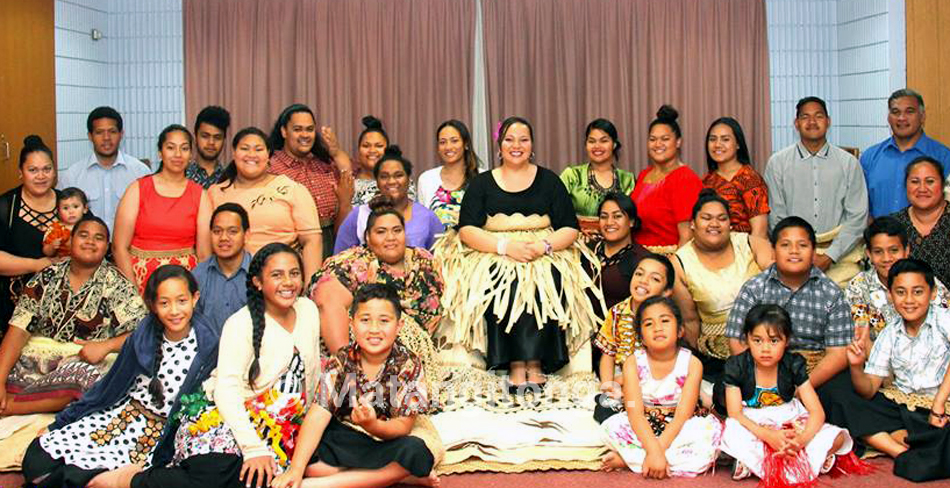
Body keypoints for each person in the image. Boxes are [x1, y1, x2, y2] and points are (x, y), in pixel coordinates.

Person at [435, 116, 603, 392]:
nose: (516, 145)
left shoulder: (549, 180)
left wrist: (543, 247)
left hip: (543, 247)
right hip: (494, 248)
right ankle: (513, 363)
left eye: (523, 139)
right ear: (499, 147)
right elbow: (467, 230)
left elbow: (569, 228)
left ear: (532, 145)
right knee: (505, 278)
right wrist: (504, 248)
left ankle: (536, 363)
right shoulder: (482, 183)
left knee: (546, 275)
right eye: (509, 140)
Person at [20, 265, 219, 488]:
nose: (174, 311)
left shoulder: (207, 343)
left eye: (181, 301)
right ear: (153, 305)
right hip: (122, 416)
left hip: (154, 435)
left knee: (86, 478)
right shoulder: (145, 333)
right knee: (38, 461)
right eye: (164, 303)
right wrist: (61, 423)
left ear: (195, 298)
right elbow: (111, 384)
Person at [139, 244, 321, 488]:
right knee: (229, 474)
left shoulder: (308, 309)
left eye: (294, 273)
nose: (288, 282)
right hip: (235, 419)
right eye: (277, 275)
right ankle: (131, 481)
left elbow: (313, 371)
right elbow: (226, 391)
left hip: (287, 425)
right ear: (257, 282)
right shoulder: (240, 324)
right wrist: (253, 448)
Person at [271, 284, 438, 488]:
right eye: (365, 320)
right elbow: (318, 414)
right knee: (310, 460)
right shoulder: (342, 361)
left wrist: (373, 425)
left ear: (398, 326)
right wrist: (295, 470)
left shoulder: (408, 364)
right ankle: (399, 475)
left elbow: (403, 426)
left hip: (390, 436)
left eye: (384, 321)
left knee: (417, 450)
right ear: (352, 323)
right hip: (351, 435)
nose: (374, 329)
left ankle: (321, 485)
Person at [0, 216, 146, 415]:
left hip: (84, 364)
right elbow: (18, 329)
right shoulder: (46, 276)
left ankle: (11, 407)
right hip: (38, 363)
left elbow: (143, 334)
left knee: (88, 377)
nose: (90, 242)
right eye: (83, 235)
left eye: (98, 238)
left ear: (106, 247)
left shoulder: (117, 284)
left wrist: (106, 346)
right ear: (71, 241)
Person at [311, 199, 444, 395]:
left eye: (397, 230)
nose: (390, 237)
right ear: (368, 237)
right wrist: (352, 369)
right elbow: (328, 300)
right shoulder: (353, 263)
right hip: (363, 356)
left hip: (421, 354)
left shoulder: (423, 261)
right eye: (381, 232)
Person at [716, 304, 856, 484]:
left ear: (787, 340)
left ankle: (763, 463)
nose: (765, 349)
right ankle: (798, 462)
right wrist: (769, 437)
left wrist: (800, 441)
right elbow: (735, 413)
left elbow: (816, 412)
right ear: (747, 339)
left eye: (774, 341)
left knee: (835, 437)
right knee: (732, 431)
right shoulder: (736, 366)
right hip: (753, 419)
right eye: (757, 340)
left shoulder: (793, 365)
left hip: (789, 415)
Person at [845, 258, 950, 481]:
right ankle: (901, 451)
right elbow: (869, 389)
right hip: (906, 406)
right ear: (891, 296)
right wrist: (856, 366)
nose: (909, 300)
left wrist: (938, 404)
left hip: (943, 410)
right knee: (837, 390)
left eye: (918, 292)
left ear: (932, 294)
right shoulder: (889, 333)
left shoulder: (944, 319)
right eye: (901, 292)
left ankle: (909, 441)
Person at [725, 217, 853, 392]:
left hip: (816, 375)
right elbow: (736, 340)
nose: (794, 251)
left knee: (841, 396)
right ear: (773, 251)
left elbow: (838, 353)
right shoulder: (754, 289)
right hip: (760, 371)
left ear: (814, 251)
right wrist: (763, 381)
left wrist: (803, 388)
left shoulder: (832, 294)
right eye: (785, 245)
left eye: (802, 245)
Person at [599, 296, 722, 478]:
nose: (657, 327)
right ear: (642, 337)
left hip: (680, 423)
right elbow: (635, 412)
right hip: (643, 420)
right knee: (611, 427)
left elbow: (683, 415)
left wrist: (656, 450)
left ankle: (633, 460)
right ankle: (658, 460)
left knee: (710, 435)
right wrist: (653, 449)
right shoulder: (632, 363)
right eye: (649, 324)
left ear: (680, 330)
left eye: (665, 320)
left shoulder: (692, 363)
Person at [671, 190, 773, 386]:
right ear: (692, 223)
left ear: (730, 223)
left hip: (766, 342)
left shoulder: (751, 244)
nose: (714, 224)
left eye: (722, 218)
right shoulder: (680, 263)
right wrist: (692, 365)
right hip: (717, 353)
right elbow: (690, 321)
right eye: (706, 218)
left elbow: (782, 280)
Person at [764, 96, 868, 286]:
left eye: (818, 116)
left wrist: (830, 256)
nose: (812, 122)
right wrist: (800, 252)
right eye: (805, 117)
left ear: (828, 121)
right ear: (796, 123)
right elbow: (776, 217)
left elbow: (857, 217)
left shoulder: (849, 163)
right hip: (792, 256)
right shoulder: (777, 163)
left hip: (840, 256)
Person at [209, 127, 323, 283]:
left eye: (258, 149)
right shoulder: (215, 193)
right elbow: (207, 243)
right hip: (229, 279)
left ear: (268, 155)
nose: (251, 154)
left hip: (282, 278)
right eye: (244, 148)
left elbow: (312, 241)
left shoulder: (292, 189)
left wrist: (310, 285)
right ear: (234, 153)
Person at [113, 125, 212, 292]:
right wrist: (133, 293)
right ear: (160, 152)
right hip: (140, 281)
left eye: (184, 148)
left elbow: (204, 254)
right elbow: (119, 247)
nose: (178, 154)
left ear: (191, 154)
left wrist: (196, 291)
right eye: (170, 148)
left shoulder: (200, 195)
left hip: (185, 282)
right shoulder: (137, 189)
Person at [846, 215, 950, 341]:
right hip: (876, 356)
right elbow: (861, 339)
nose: (887, 258)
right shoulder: (858, 287)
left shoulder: (926, 281)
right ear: (869, 254)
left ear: (906, 250)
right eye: (878, 252)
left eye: (894, 250)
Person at [268, 104, 352, 259]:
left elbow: (347, 174)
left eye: (309, 129)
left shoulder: (323, 163)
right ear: (284, 131)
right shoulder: (271, 167)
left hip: (334, 243)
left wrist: (335, 150)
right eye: (298, 129)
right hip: (293, 248)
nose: (305, 134)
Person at [594, 254, 675, 407]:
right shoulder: (617, 312)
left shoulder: (666, 318)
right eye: (639, 273)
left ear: (666, 292)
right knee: (605, 406)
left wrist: (627, 379)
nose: (643, 281)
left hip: (655, 377)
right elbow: (608, 354)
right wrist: (607, 385)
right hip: (621, 376)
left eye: (655, 278)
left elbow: (666, 361)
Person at [0, 135, 60, 333]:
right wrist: (37, 265)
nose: (41, 176)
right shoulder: (6, 206)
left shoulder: (69, 203)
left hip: (62, 305)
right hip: (13, 305)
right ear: (20, 173)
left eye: (47, 169)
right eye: (33, 170)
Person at [861, 89, 950, 218]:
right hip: (881, 236)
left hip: (927, 237)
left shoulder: (944, 157)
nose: (902, 118)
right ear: (888, 118)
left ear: (922, 117)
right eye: (895, 112)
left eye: (909, 111)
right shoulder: (869, 157)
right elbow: (862, 210)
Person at [335, 146, 442, 253]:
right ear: (376, 182)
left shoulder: (427, 217)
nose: (391, 181)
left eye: (398, 175)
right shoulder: (359, 215)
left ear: (409, 179)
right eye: (384, 176)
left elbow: (440, 262)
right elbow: (339, 258)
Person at [58, 106, 151, 229]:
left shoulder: (140, 172)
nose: (106, 138)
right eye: (99, 132)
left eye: (112, 131)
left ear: (121, 134)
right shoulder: (72, 176)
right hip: (87, 247)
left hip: (129, 246)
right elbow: (59, 218)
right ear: (90, 136)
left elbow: (151, 215)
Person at [630, 106, 702, 250]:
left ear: (678, 142)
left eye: (665, 139)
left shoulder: (685, 179)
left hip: (666, 258)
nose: (658, 144)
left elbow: (687, 237)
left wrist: (674, 268)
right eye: (653, 139)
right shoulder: (644, 174)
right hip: (637, 254)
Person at [560, 118, 636, 236]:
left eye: (603, 141)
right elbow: (556, 211)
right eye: (592, 141)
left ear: (614, 144)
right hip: (576, 242)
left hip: (617, 241)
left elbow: (632, 218)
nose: (597, 146)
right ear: (586, 144)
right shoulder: (572, 175)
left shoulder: (627, 179)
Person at [701, 117, 769, 240]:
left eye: (725, 139)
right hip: (710, 251)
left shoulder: (749, 179)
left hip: (743, 253)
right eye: (712, 139)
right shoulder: (706, 181)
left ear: (738, 144)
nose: (717, 145)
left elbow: (760, 232)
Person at [890, 156, 950, 286]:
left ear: (942, 184)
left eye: (930, 181)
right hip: (902, 304)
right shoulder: (893, 225)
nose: (922, 188)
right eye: (915, 181)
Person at [192, 203, 251, 330]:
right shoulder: (198, 275)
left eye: (232, 231)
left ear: (246, 235)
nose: (223, 238)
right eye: (217, 231)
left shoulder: (260, 273)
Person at [417, 119, 482, 229]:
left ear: (466, 144)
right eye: (442, 142)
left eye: (454, 141)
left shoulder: (482, 177)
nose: (448, 147)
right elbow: (422, 223)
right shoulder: (426, 179)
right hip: (436, 245)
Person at [591, 193, 650, 311]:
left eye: (617, 216)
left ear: (631, 222)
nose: (609, 222)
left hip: (620, 327)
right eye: (604, 217)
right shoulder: (588, 251)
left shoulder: (643, 260)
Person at [351, 116, 418, 207]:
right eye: (366, 146)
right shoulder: (349, 184)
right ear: (358, 150)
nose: (372, 150)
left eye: (378, 146)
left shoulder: (403, 183)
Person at [186, 106, 231, 189]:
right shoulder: (183, 176)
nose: (211, 142)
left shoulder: (230, 179)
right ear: (195, 137)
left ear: (224, 140)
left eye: (217, 137)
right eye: (205, 136)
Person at [42, 187, 89, 258]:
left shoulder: (89, 227)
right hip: (62, 264)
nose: (71, 212)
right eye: (65, 208)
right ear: (59, 212)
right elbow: (46, 251)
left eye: (75, 207)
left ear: (85, 209)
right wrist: (52, 247)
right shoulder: (55, 229)